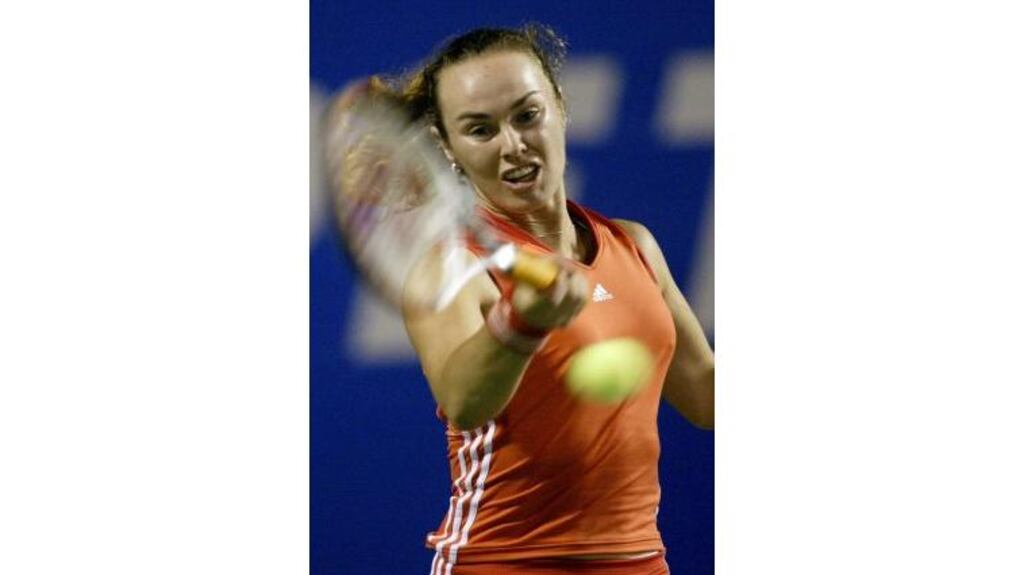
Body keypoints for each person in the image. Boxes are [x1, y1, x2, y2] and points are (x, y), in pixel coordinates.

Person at [340, 24, 714, 575]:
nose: (512, 144)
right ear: (449, 147)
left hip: (639, 561)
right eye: (480, 129)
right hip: (505, 562)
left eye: (527, 115)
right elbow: (465, 401)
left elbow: (705, 396)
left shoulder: (634, 245)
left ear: (559, 108)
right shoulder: (451, 265)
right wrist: (522, 323)